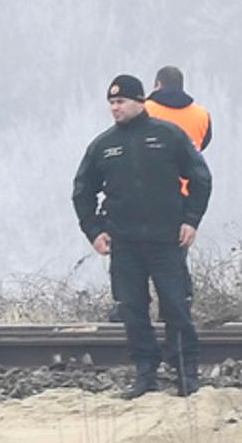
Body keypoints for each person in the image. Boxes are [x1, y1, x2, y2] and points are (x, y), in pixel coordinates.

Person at [73, 73, 212, 398]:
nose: (115, 108)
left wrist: (191, 220)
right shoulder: (103, 146)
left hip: (167, 240)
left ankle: (186, 375)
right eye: (111, 102)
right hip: (124, 243)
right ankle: (146, 374)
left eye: (120, 101)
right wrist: (94, 230)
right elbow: (82, 191)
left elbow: (200, 179)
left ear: (139, 101)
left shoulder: (168, 136)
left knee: (176, 307)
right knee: (133, 310)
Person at [146, 65, 212, 155]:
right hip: (189, 163)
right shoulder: (202, 114)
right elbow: (204, 142)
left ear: (158, 84)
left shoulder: (144, 109)